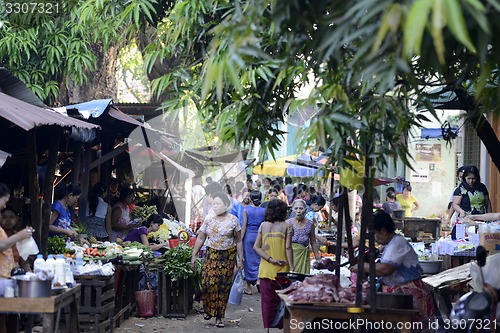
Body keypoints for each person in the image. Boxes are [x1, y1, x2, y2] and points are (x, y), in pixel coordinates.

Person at [350, 211, 433, 320]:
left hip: (409, 294)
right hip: (401, 294)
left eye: (375, 233)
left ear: (383, 231)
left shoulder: (397, 243)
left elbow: (385, 269)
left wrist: (361, 266)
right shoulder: (392, 243)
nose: (374, 238)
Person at [190, 192, 244, 328]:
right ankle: (208, 308)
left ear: (226, 205)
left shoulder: (233, 220)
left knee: (223, 286)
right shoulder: (208, 219)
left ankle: (219, 317)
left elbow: (238, 241)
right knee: (208, 283)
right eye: (213, 204)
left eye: (218, 204)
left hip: (228, 256)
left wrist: (241, 259)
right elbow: (201, 238)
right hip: (212, 254)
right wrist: (194, 255)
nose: (215, 206)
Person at [253, 199, 293, 332]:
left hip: (266, 270)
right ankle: (284, 328)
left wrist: (270, 260)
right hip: (283, 270)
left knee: (266, 302)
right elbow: (288, 248)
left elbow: (256, 247)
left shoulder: (263, 226)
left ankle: (267, 330)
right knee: (284, 301)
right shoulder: (287, 226)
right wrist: (292, 267)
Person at [0, 183, 34, 333]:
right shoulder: (15, 236)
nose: (3, 206)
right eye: (4, 201)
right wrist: (19, 236)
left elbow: (24, 262)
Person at [241, 190, 265, 295]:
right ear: (261, 199)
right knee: (259, 259)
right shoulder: (264, 211)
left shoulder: (246, 210)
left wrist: (240, 239)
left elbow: (244, 226)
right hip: (260, 235)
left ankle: (248, 287)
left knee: (248, 260)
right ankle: (259, 280)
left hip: (248, 236)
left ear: (250, 199)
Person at [288, 199, 320, 274]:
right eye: (296, 208)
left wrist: (317, 257)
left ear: (305, 210)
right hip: (290, 256)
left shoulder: (310, 224)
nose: (298, 211)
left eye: (301, 208)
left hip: (303, 257)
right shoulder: (288, 223)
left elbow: (313, 242)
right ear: (292, 210)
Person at [1, 206, 30, 272]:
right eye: (4, 217)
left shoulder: (21, 237)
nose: (8, 220)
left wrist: (31, 276)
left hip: (16, 275)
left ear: (17, 219)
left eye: (11, 217)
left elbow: (24, 263)